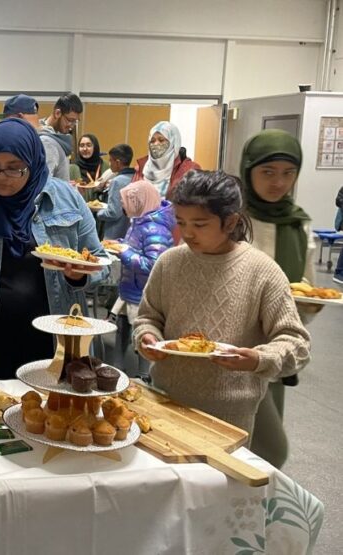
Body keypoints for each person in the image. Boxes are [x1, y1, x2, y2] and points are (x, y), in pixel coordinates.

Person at [135, 170, 310, 436]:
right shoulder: (170, 262)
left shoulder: (262, 271)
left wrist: (260, 359)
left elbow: (297, 344)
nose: (188, 233)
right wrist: (148, 337)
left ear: (230, 222)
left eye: (200, 224)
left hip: (231, 413)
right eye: (181, 223)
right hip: (165, 399)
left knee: (221, 477)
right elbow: (148, 317)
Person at [0, 118, 108, 380]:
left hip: (56, 341)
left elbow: (101, 261)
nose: (1, 178)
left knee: (55, 415)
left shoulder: (66, 200)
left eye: (14, 169)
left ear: (33, 162)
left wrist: (80, 275)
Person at [241, 129, 319, 468]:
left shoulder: (297, 225)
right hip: (233, 343)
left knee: (263, 450)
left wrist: (310, 306)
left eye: (289, 173)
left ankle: (253, 513)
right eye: (268, 172)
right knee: (256, 444)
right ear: (249, 171)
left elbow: (308, 286)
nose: (278, 183)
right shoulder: (232, 218)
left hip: (275, 346)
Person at [111, 180, 173, 378]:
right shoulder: (138, 223)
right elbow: (134, 247)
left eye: (125, 201)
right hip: (130, 290)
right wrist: (118, 244)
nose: (122, 206)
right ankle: (116, 371)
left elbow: (154, 264)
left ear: (138, 202)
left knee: (145, 338)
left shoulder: (155, 229)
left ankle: (145, 377)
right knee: (121, 329)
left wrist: (124, 253)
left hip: (142, 294)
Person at [133, 121, 201, 198]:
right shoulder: (142, 168)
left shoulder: (189, 170)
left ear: (173, 142)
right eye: (152, 141)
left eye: (161, 140)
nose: (156, 144)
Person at [40, 93, 83, 182]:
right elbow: (44, 184)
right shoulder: (47, 142)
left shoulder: (58, 138)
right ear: (57, 113)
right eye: (70, 120)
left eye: (75, 122)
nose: (72, 126)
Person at [96, 144, 134, 240]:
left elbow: (113, 213)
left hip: (114, 233)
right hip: (128, 231)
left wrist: (98, 213)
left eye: (110, 160)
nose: (109, 163)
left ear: (117, 162)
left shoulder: (117, 181)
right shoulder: (135, 177)